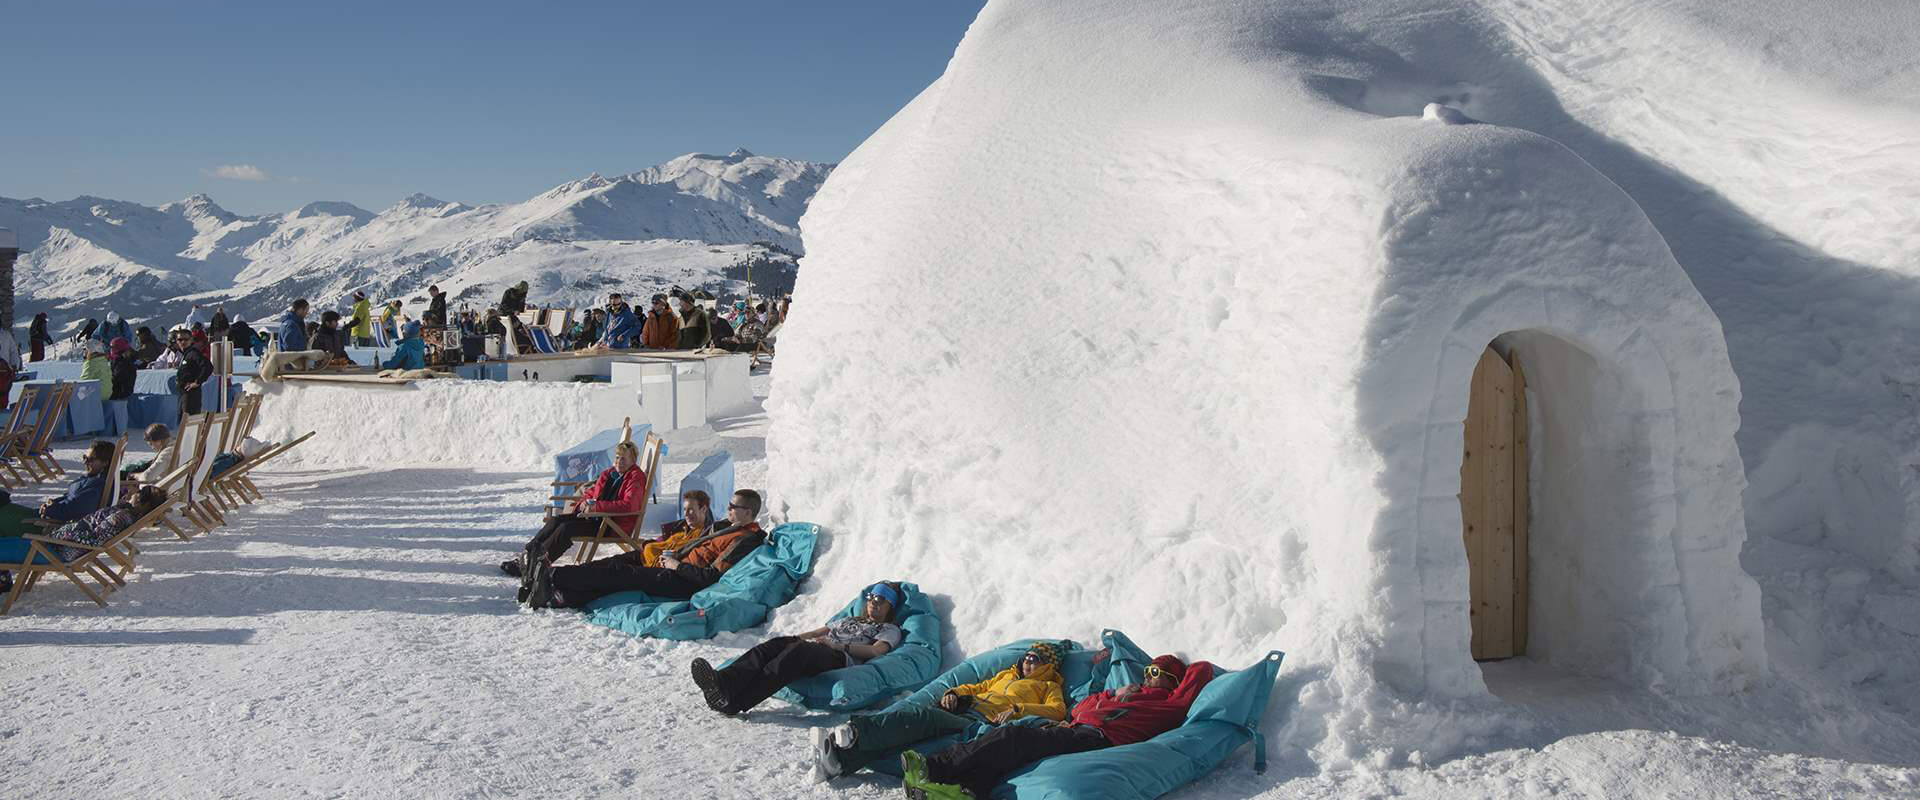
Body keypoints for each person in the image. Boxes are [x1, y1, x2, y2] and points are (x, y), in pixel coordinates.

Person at [903, 655, 1217, 799]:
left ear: (1174, 681)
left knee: (1015, 736)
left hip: (1098, 739)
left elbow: (1201, 669)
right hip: (1076, 727)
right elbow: (1080, 706)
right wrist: (1111, 693)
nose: (1148, 675)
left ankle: (936, 767)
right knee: (1014, 750)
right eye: (1148, 669)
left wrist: (1177, 672)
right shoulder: (1126, 693)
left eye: (1157, 672)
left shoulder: (1169, 703)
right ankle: (963, 792)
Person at [809, 641, 1067, 781]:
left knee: (923, 718)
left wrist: (1017, 708)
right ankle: (841, 761)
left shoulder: (1047, 686)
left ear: (1047, 665)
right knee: (907, 736)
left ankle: (857, 732)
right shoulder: (1005, 675)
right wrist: (954, 694)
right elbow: (976, 686)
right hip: (964, 709)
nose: (1027, 661)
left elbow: (1057, 712)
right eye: (1027, 656)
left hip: (978, 722)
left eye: (1035, 659)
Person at [692, 583, 918, 719]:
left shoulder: (889, 629)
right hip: (818, 646)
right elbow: (821, 630)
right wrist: (791, 639)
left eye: (880, 600)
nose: (873, 604)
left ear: (890, 606)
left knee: (793, 657)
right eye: (870, 598)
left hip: (840, 657)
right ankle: (725, 683)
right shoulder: (851, 618)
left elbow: (876, 652)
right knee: (771, 648)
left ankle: (736, 703)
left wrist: (838, 646)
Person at [522, 489, 765, 610]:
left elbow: (711, 577)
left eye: (734, 506)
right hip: (675, 565)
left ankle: (553, 576)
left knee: (622, 574)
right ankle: (556, 594)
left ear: (748, 512)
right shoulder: (726, 527)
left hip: (683, 580)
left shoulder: (745, 539)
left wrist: (676, 565)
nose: (729, 509)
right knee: (618, 568)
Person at [503, 440, 650, 579]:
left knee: (566, 529)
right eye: (617, 457)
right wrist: (583, 503)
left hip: (611, 524)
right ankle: (527, 556)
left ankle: (537, 566)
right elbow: (592, 492)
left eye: (624, 458)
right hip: (596, 517)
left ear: (633, 460)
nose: (619, 461)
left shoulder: (636, 477)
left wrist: (596, 507)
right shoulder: (610, 473)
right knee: (556, 520)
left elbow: (628, 506)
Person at [0, 485, 169, 593]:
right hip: (55, 545)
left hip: (59, 549)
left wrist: (63, 533)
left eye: (137, 492)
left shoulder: (121, 517)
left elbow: (94, 540)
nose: (133, 491)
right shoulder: (125, 513)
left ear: (140, 499)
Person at [0, 439, 114, 537]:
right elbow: (70, 499)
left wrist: (50, 508)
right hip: (43, 517)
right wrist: (53, 503)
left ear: (105, 463)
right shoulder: (91, 479)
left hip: (46, 525)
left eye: (90, 459)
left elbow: (75, 510)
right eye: (85, 457)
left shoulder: (96, 485)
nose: (85, 462)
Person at [105, 338, 136, 436]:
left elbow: (116, 379)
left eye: (112, 348)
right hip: (123, 391)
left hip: (120, 393)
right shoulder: (124, 361)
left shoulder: (121, 362)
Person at [177, 339, 214, 416]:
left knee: (188, 419)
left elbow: (208, 367)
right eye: (179, 340)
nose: (183, 342)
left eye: (185, 339)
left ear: (190, 340)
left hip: (191, 395)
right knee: (183, 418)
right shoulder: (185, 354)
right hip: (183, 393)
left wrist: (197, 382)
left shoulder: (193, 353)